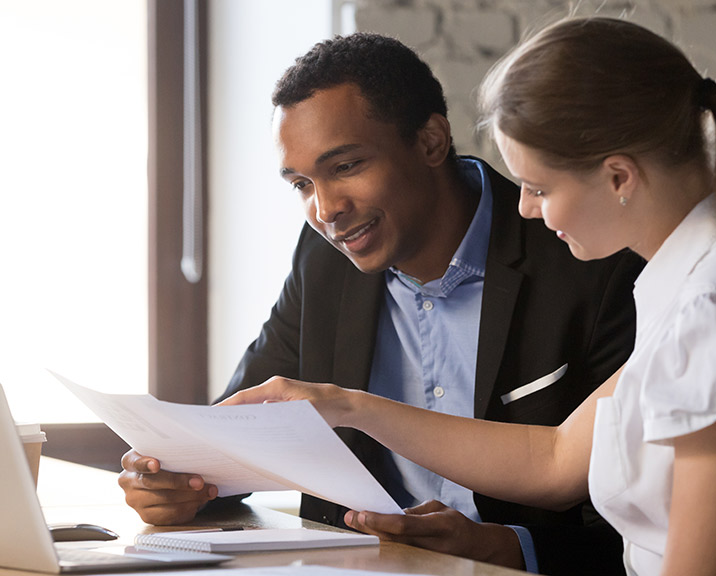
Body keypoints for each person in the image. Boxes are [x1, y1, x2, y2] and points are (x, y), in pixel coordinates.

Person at [222, 17, 716, 576]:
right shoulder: (692, 285)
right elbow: (556, 459)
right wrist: (345, 405)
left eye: (538, 186)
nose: (529, 211)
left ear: (618, 175)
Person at [119, 33, 644, 575]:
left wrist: (508, 548)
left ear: (432, 141)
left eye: (345, 167)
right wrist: (178, 482)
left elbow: (645, 521)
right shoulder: (325, 260)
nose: (326, 210)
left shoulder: (591, 260)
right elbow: (237, 434)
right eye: (302, 183)